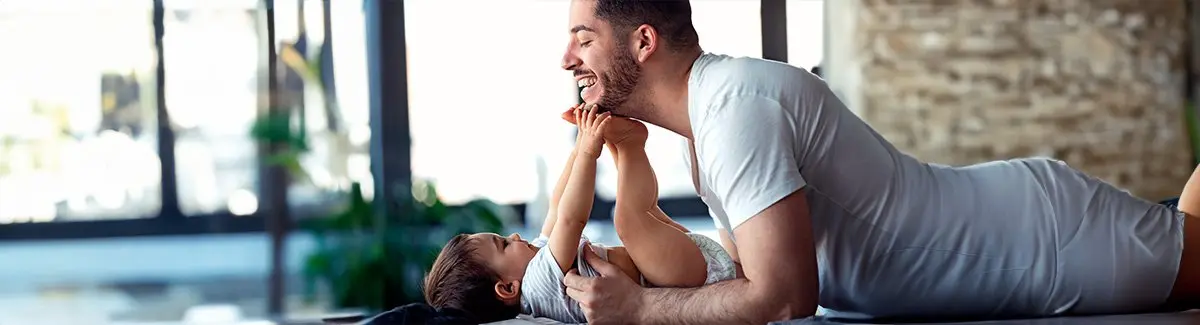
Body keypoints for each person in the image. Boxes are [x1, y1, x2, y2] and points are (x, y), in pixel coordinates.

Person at [557, 0, 1200, 324]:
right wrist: (624, 164)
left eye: (583, 38)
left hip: (1046, 244)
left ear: (642, 42)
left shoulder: (735, 109)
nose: (566, 59)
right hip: (1028, 225)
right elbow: (731, 271)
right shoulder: (709, 122)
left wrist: (641, 312)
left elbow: (782, 297)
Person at [421, 106, 738, 324]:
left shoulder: (540, 260)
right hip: (679, 278)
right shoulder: (539, 285)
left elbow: (557, 207)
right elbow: (571, 218)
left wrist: (577, 149)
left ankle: (625, 145)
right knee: (630, 219)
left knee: (643, 214)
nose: (515, 236)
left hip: (674, 271)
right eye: (504, 244)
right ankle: (629, 146)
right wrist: (588, 150)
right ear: (507, 288)